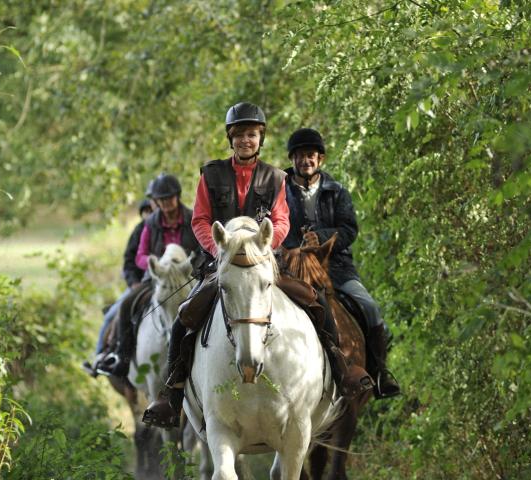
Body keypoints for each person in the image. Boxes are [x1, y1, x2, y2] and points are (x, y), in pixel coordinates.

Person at [143, 102, 373, 429]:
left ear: (260, 138)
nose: (245, 141)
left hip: (264, 262)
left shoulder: (276, 177)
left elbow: (281, 220)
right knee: (184, 317)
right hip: (223, 263)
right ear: (231, 139)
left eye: (251, 135)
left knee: (317, 301)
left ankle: (340, 372)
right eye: (239, 135)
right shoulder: (210, 174)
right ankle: (172, 394)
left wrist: (266, 246)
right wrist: (218, 248)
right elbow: (201, 220)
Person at [282, 128, 400, 399]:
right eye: (300, 156)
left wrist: (321, 237)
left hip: (335, 267)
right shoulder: (279, 192)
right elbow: (274, 226)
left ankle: (380, 372)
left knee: (370, 308)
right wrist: (295, 245)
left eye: (310, 155)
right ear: (293, 159)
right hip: (293, 267)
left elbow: (349, 229)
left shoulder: (337, 191)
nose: (305, 161)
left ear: (320, 159)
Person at [97, 173, 199, 377]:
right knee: (126, 305)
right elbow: (140, 255)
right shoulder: (150, 223)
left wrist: (189, 265)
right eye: (161, 200)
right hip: (157, 278)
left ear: (177, 197)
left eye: (169, 198)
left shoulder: (192, 218)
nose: (166, 203)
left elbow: (200, 248)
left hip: (187, 276)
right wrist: (157, 265)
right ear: (156, 201)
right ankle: (122, 358)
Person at [82, 194, 153, 377]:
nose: (149, 215)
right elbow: (129, 262)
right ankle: (100, 356)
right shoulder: (139, 231)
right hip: (139, 285)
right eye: (146, 212)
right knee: (114, 313)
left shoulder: (169, 226)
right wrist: (134, 283)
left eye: (151, 211)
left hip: (168, 283)